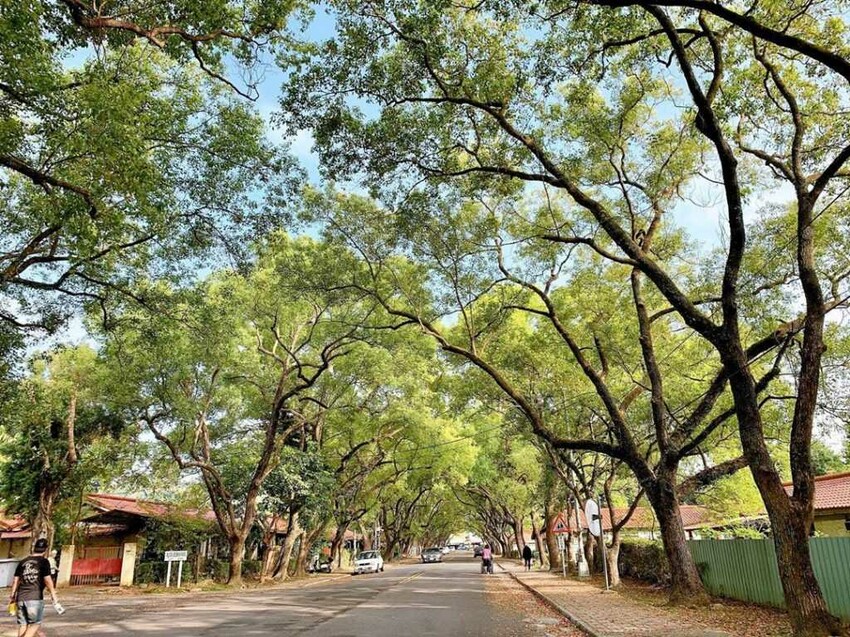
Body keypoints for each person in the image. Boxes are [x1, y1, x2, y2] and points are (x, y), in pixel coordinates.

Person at [8, 538, 61, 637]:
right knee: (34, 624)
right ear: (45, 549)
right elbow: (47, 580)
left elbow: (15, 580)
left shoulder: (23, 562)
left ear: (34, 548)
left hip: (20, 598)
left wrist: (12, 596)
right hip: (34, 598)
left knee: (23, 625)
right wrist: (53, 594)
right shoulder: (44, 562)